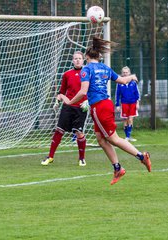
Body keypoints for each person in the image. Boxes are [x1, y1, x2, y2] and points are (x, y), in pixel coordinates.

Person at [59, 37, 151, 185]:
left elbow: (83, 92)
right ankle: (117, 168)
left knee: (113, 139)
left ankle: (141, 156)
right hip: (105, 105)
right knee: (101, 139)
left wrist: (69, 102)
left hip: (99, 107)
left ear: (87, 57)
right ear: (98, 56)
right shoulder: (105, 68)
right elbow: (122, 80)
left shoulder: (86, 69)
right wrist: (132, 76)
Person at [41, 51, 88, 167]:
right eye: (75, 58)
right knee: (59, 130)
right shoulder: (67, 74)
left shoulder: (87, 74)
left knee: (79, 133)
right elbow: (61, 92)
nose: (77, 60)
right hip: (67, 106)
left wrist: (88, 101)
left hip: (81, 108)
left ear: (83, 60)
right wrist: (57, 101)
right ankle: (50, 156)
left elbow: (91, 91)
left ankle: (82, 158)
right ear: (72, 60)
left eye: (79, 58)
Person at [115, 66, 140, 141]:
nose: (125, 74)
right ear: (122, 74)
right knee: (125, 119)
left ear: (129, 73)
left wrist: (137, 103)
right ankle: (126, 136)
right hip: (124, 103)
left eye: (127, 72)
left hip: (133, 103)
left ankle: (129, 136)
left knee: (131, 118)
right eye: (124, 72)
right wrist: (117, 105)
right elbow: (117, 94)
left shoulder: (133, 82)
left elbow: (137, 93)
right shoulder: (119, 83)